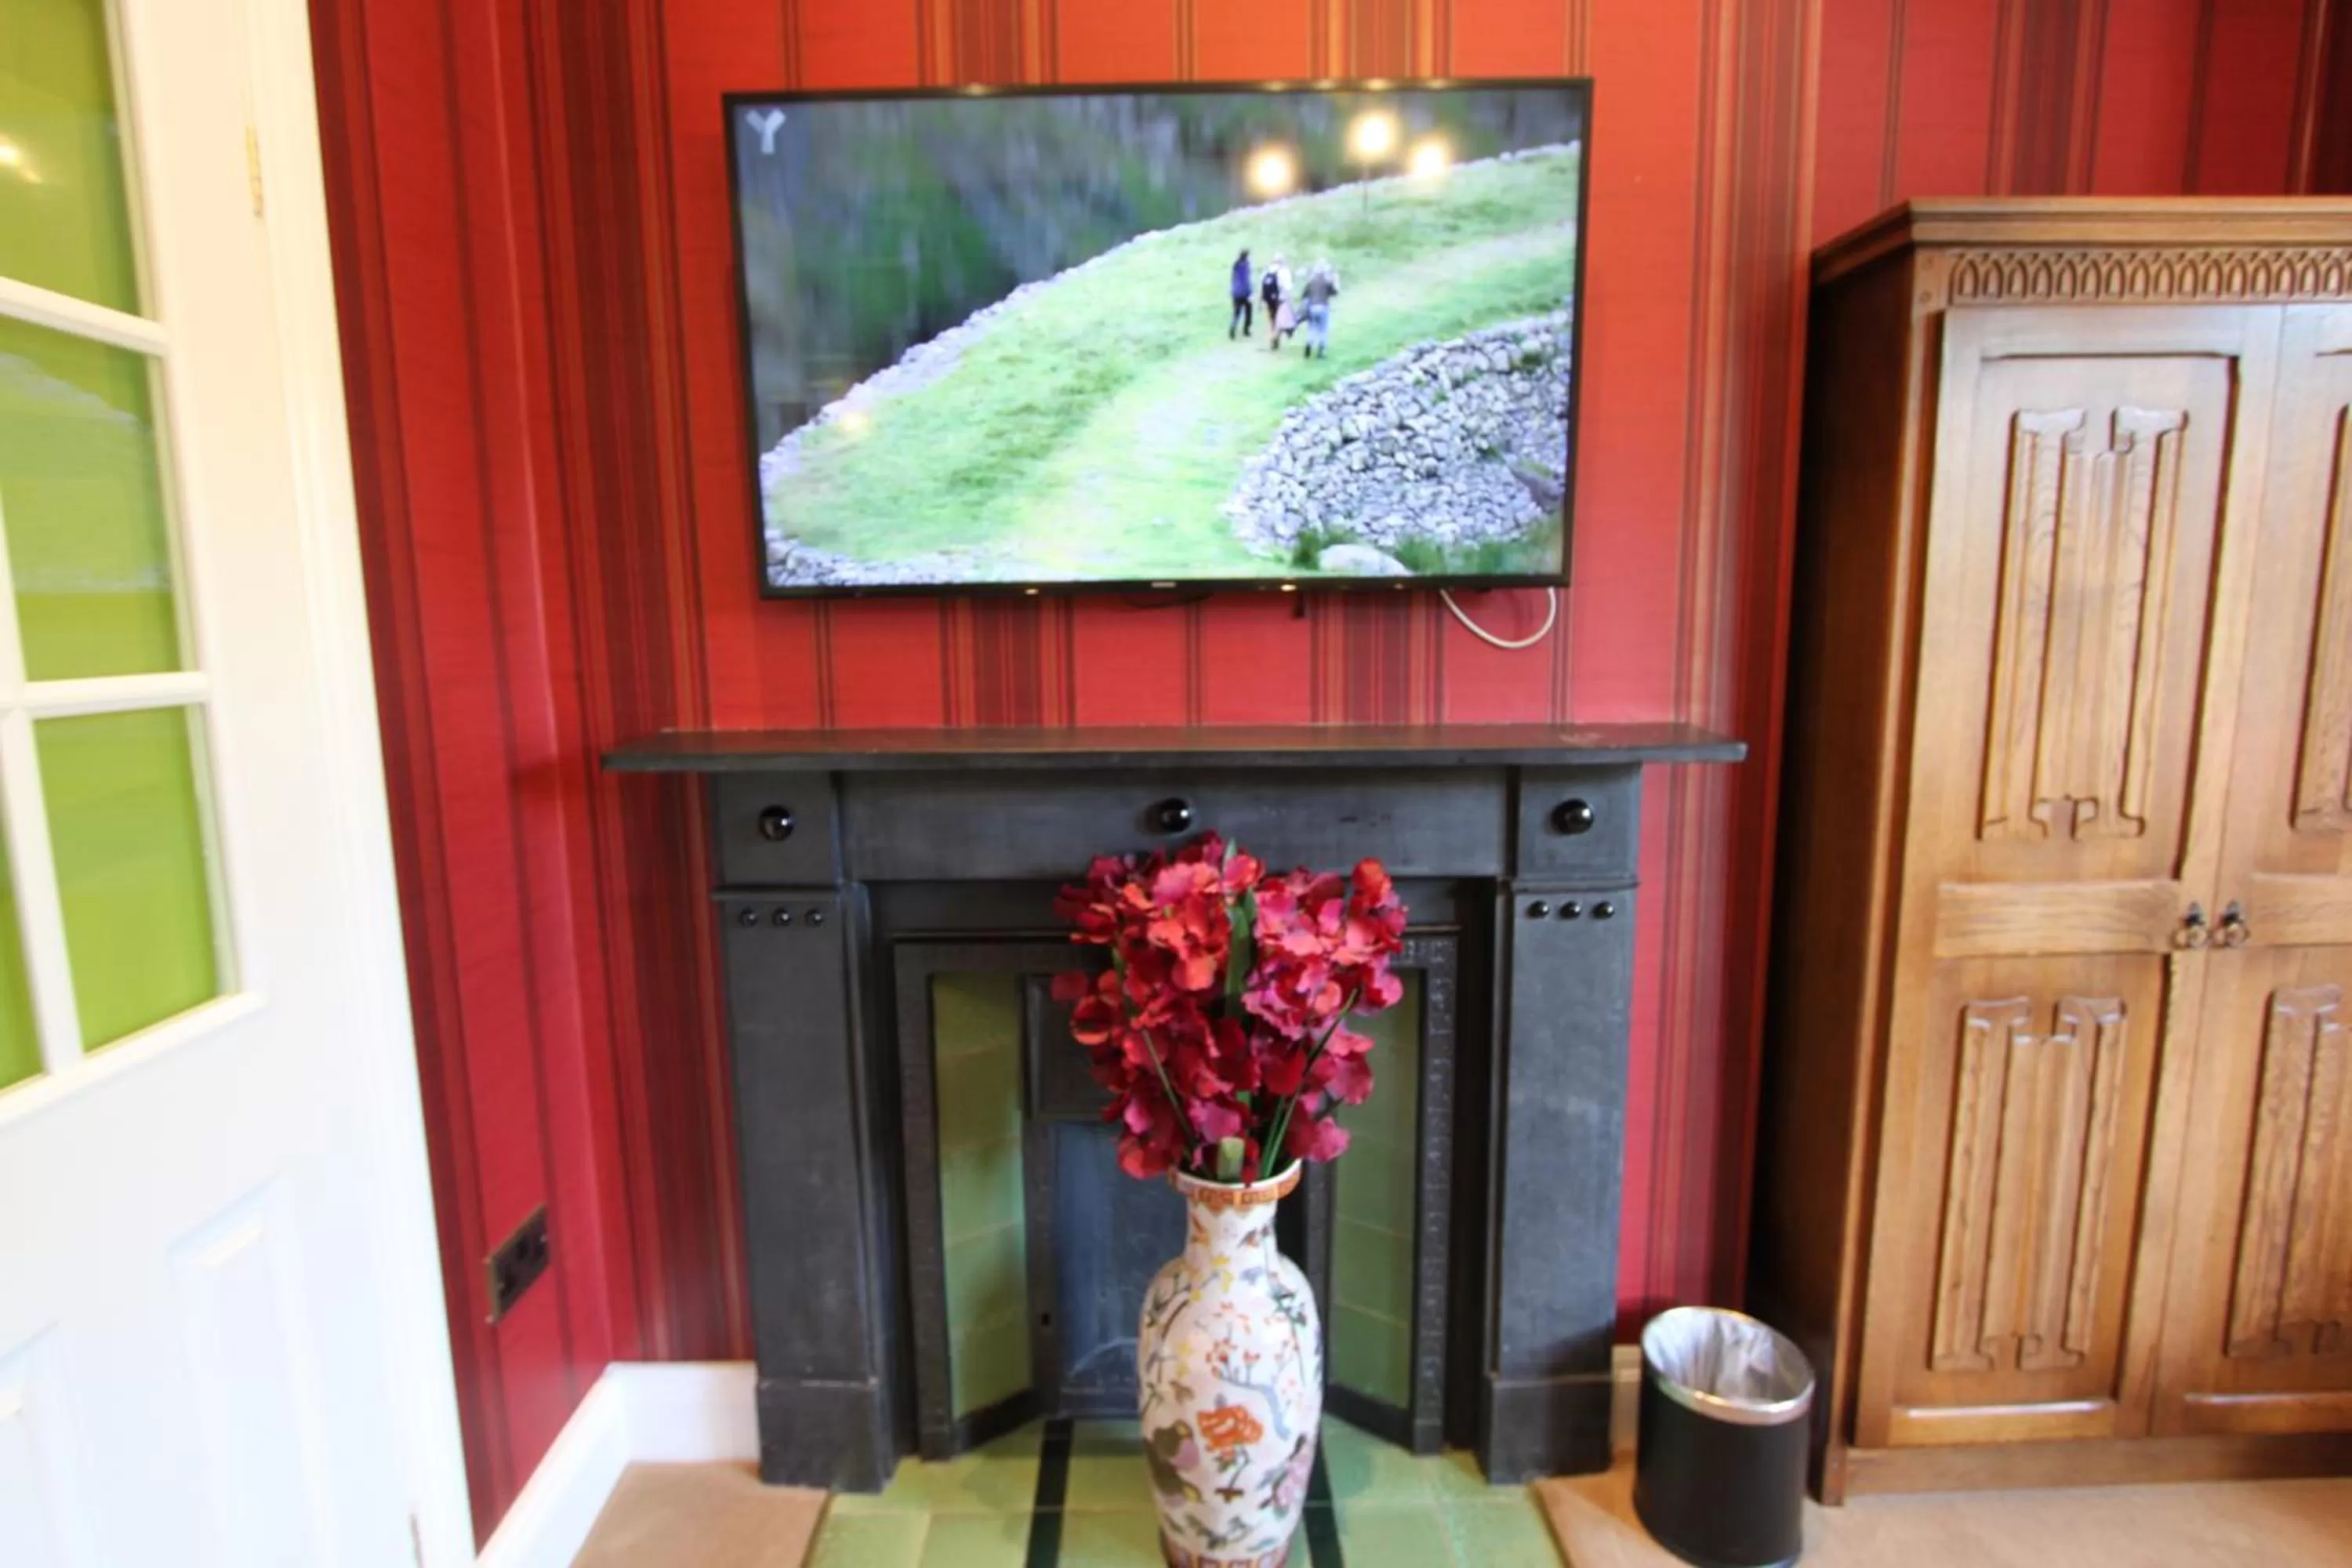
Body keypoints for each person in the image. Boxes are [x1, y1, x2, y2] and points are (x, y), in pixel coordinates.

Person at [1301, 260, 1339, 358]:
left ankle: (1309, 344)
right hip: (1323, 307)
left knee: (1312, 328)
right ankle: (1321, 352)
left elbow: (1304, 294)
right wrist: (1335, 281)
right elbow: (1334, 292)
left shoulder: (1311, 282)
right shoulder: (1327, 282)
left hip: (1312, 307)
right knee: (1323, 329)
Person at [1263, 256, 1295, 350]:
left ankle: (1272, 341)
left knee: (1271, 321)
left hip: (1269, 301)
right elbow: (1288, 287)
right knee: (1280, 322)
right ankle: (1275, 340)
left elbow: (1263, 287)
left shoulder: (1268, 271)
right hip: (1281, 300)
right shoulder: (1285, 272)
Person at [1229, 249, 1254, 338]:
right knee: (1248, 312)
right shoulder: (1246, 265)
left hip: (1236, 293)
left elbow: (1233, 279)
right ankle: (1246, 330)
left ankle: (1232, 328)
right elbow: (1247, 281)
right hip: (1245, 293)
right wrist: (1251, 292)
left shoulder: (1236, 265)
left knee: (1236, 313)